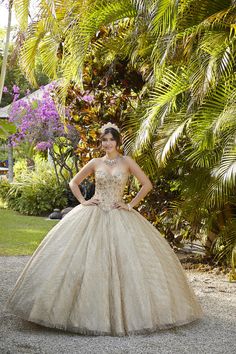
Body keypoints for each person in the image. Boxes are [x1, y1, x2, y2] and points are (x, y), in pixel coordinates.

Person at [6, 122, 203, 336]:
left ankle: (127, 316)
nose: (107, 143)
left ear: (117, 142)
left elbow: (146, 184)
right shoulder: (95, 162)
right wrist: (83, 201)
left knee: (129, 263)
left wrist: (130, 205)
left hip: (120, 213)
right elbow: (74, 182)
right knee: (83, 260)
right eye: (104, 140)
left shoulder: (127, 162)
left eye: (111, 140)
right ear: (101, 142)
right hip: (94, 212)